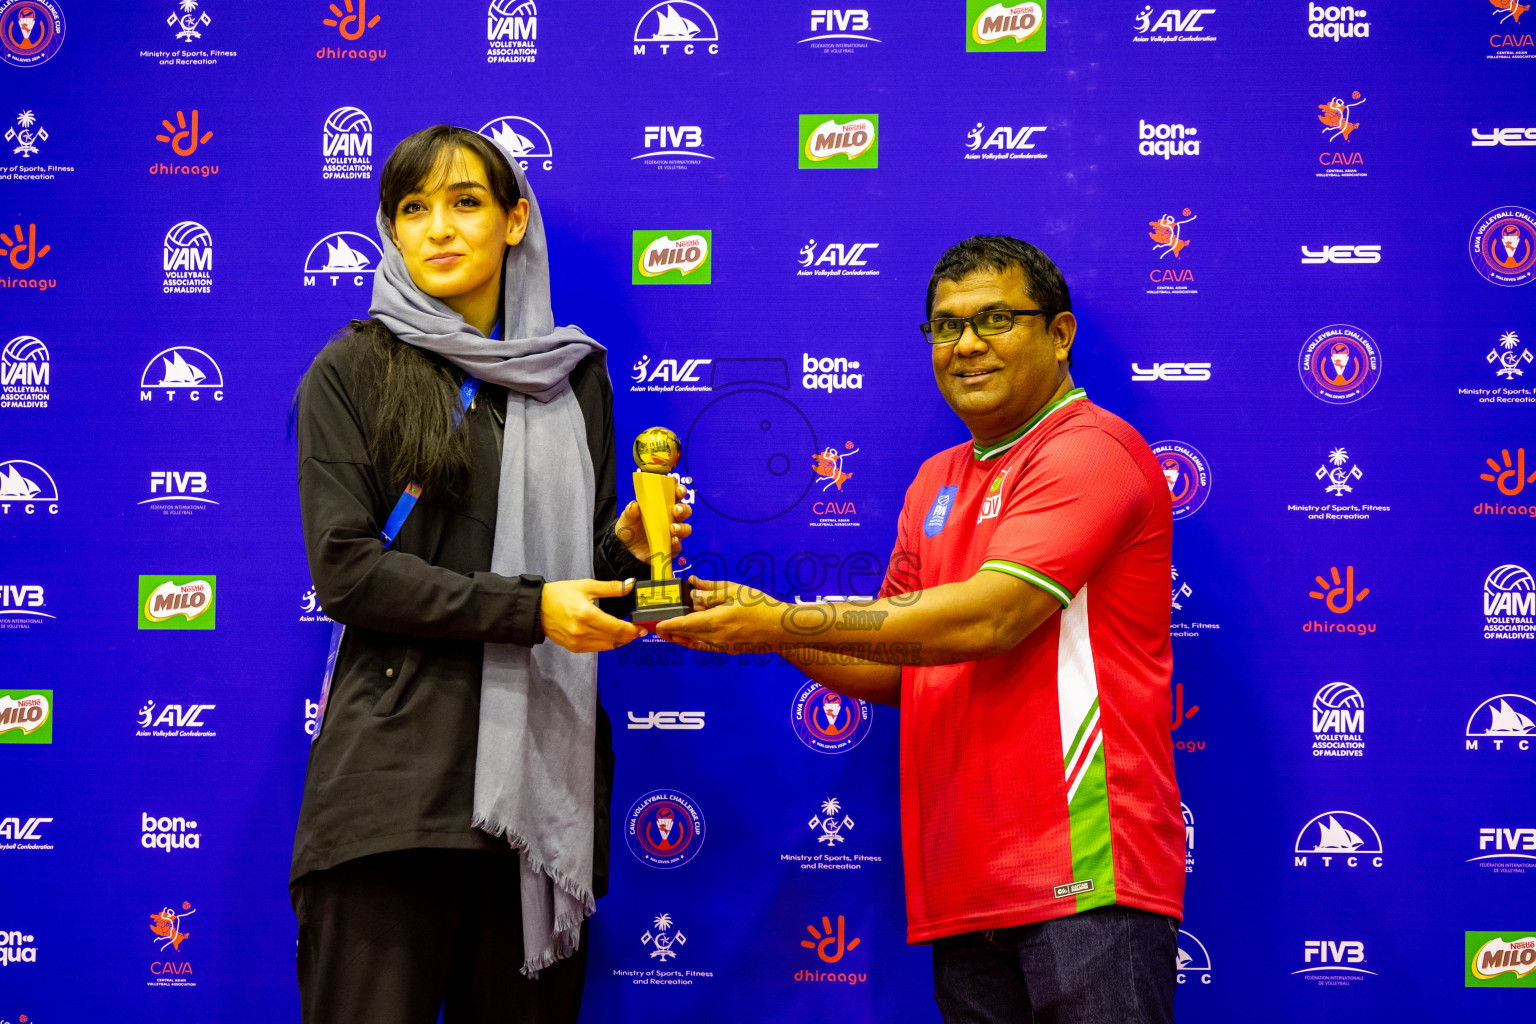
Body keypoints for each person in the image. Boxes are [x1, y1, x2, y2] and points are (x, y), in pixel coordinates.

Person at [658, 236, 1183, 1023]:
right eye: (945, 326)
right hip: (964, 875)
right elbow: (899, 661)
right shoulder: (936, 479)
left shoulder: (1090, 450)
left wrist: (781, 616)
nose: (966, 344)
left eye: (995, 319)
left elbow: (995, 615)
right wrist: (767, 631)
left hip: (1084, 867)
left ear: (1061, 333)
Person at [290, 125, 690, 1024]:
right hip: (395, 795)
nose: (438, 228)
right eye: (412, 209)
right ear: (391, 231)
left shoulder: (572, 378)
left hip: (538, 807)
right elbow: (348, 572)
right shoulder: (352, 369)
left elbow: (573, 587)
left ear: (515, 222)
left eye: (465, 203)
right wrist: (533, 607)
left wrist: (627, 549)